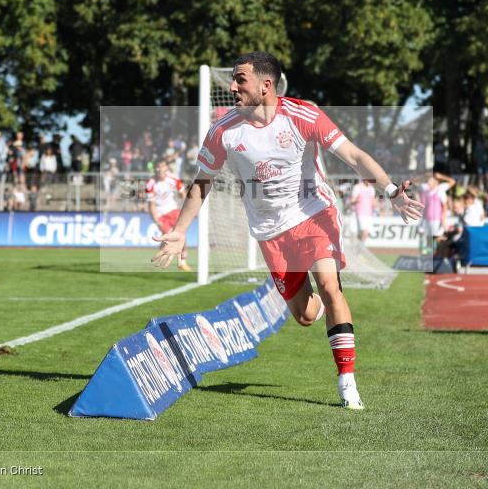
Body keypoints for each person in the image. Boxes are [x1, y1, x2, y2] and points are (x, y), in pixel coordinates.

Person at [152, 51, 423, 410]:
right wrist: (180, 229)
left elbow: (354, 156)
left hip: (313, 214)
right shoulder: (223, 131)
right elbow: (202, 182)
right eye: (233, 79)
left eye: (240, 79)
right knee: (306, 316)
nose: (232, 86)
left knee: (329, 286)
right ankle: (324, 308)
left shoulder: (303, 115)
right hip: (269, 233)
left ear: (266, 85)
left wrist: (390, 191)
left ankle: (347, 382)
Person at [146, 159, 192, 272]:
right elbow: (151, 204)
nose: (159, 169)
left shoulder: (173, 179)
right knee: (167, 238)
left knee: (180, 235)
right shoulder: (150, 183)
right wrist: (156, 219)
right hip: (161, 215)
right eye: (157, 167)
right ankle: (160, 257)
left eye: (161, 166)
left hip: (173, 211)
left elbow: (182, 193)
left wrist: (182, 195)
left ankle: (182, 262)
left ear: (166, 168)